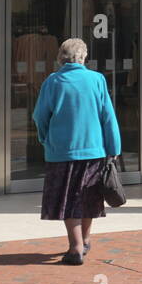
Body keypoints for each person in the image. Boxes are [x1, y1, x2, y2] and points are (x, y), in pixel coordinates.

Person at [35, 38, 123, 265]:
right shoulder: (97, 79)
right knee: (88, 197)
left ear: (60, 58)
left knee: (67, 199)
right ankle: (84, 240)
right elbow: (108, 116)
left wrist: (45, 138)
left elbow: (40, 116)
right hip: (94, 150)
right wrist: (113, 147)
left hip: (62, 152)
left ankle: (75, 248)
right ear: (83, 57)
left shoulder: (53, 82)